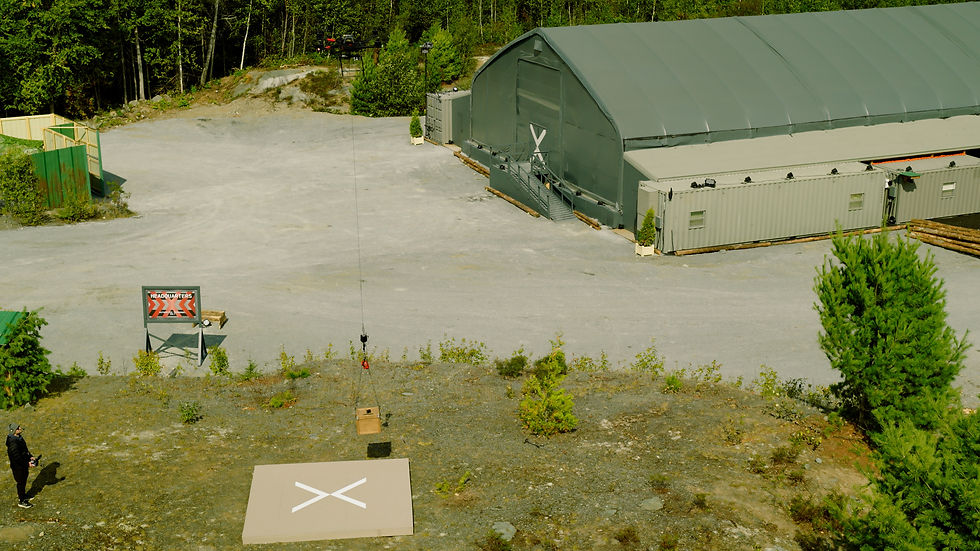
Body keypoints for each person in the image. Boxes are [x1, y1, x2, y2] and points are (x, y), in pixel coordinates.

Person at [6, 423, 36, 508]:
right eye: (17, 428)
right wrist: (27, 463)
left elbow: (24, 450)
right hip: (18, 467)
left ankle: (23, 495)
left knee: (23, 480)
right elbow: (17, 458)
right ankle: (21, 501)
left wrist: (30, 457)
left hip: (23, 465)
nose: (20, 428)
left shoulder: (19, 438)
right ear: (14, 431)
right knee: (21, 482)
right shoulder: (13, 443)